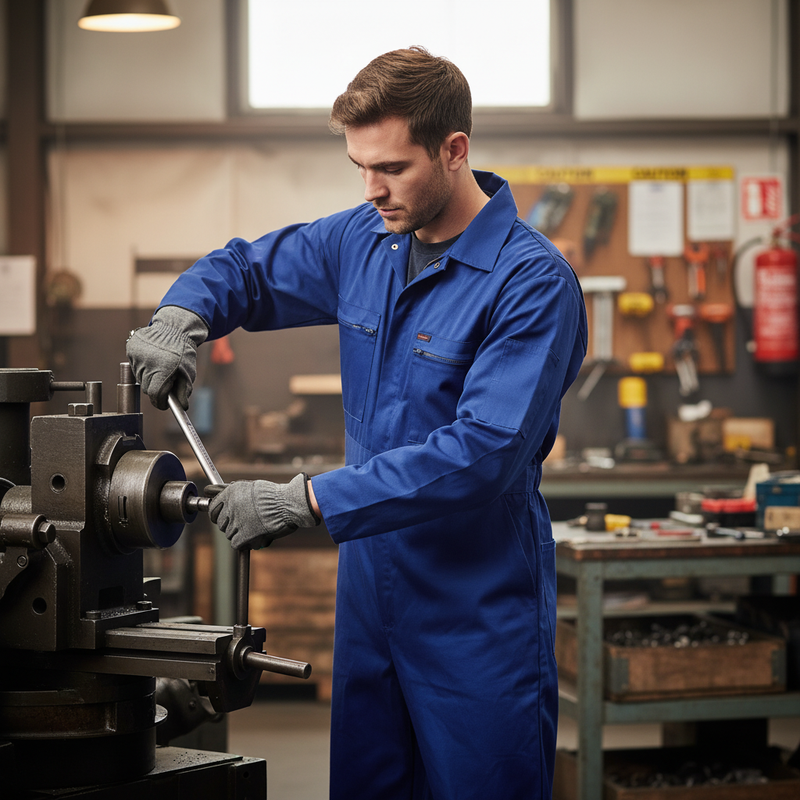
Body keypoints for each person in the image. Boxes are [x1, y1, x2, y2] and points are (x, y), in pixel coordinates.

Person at [127, 46, 587, 799]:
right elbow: (248, 269)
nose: (373, 189)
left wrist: (305, 500)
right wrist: (184, 314)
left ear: (454, 150)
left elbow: (485, 451)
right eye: (359, 168)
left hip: (475, 613)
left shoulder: (531, 282)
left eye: (393, 168)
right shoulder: (367, 240)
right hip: (371, 600)